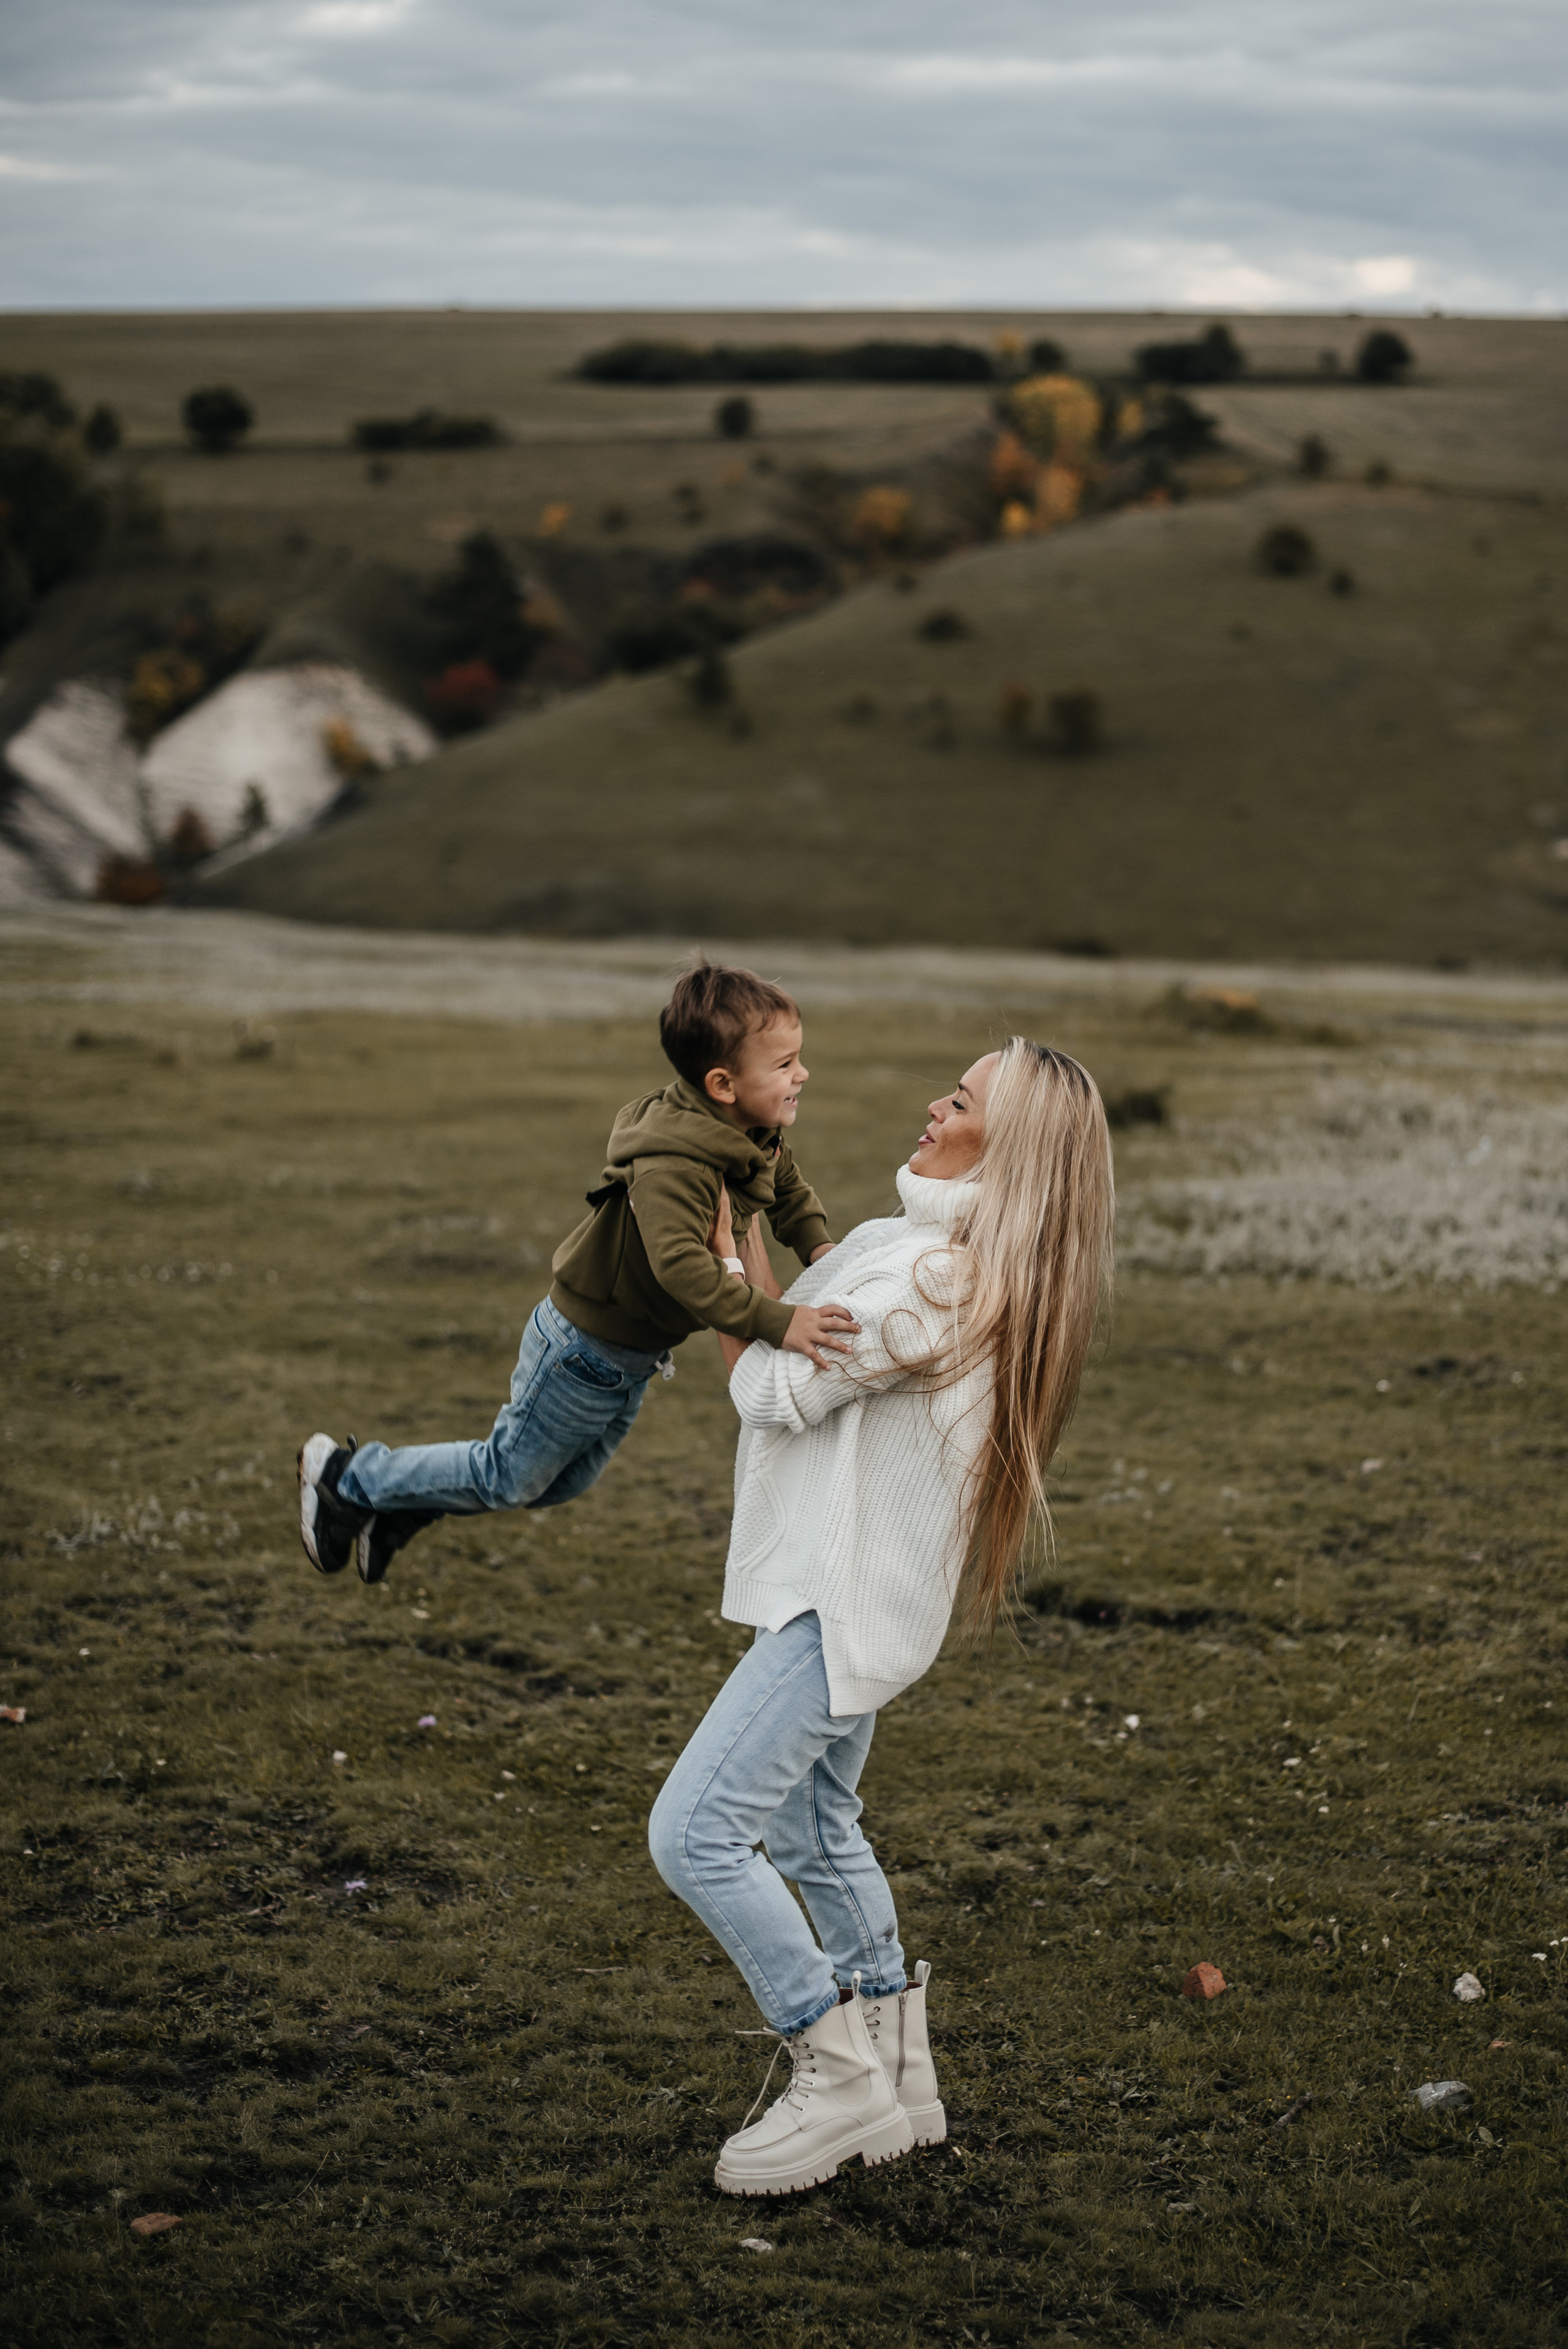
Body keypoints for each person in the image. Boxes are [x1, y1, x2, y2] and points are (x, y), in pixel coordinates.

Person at [649, 1037, 1114, 2196]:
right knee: (815, 1828)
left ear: (1000, 1150)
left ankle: (833, 2066)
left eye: (956, 1101)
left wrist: (714, 1268)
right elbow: (790, 1324)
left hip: (832, 1604)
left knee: (696, 1830)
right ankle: (900, 2079)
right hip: (863, 1597)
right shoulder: (928, 1255)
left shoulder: (930, 1278)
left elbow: (764, 1385)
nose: (930, 1105)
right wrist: (746, 1248)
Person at [297, 962, 858, 1585]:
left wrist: (820, 1252)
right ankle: (348, 1479)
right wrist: (779, 1323)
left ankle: (396, 1508)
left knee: (559, 1483)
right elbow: (683, 1272)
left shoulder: (753, 1134)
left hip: (630, 1356)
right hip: (583, 1348)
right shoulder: (675, 1168)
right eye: (784, 1065)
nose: (802, 1074)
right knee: (507, 1475)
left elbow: (787, 1191)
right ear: (723, 1084)